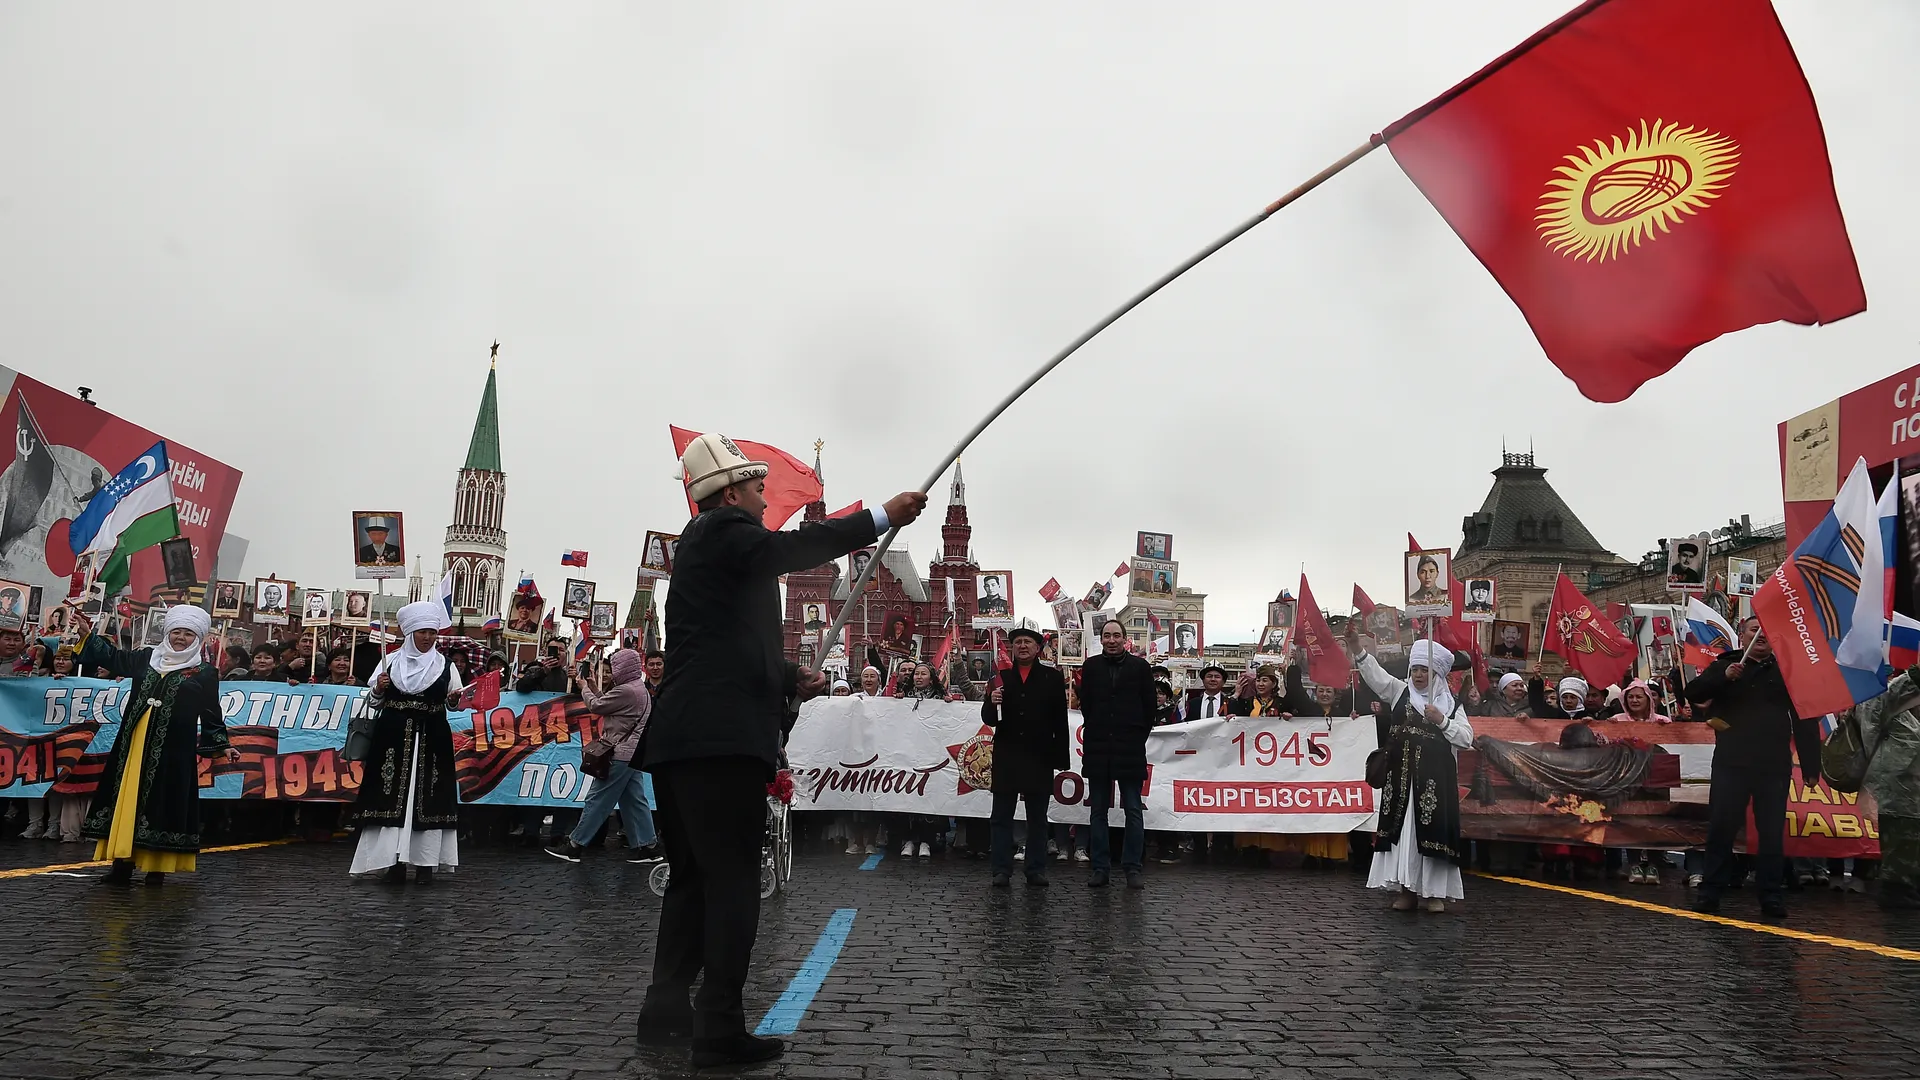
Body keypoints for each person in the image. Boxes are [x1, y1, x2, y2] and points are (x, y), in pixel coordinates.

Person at [635, 431, 925, 1068]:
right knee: (734, 878)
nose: (768, 496)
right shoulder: (722, 531)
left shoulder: (716, 556)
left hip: (687, 738)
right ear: (732, 490)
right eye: (758, 485)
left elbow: (727, 647)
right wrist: (880, 517)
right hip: (718, 742)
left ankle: (663, 1011)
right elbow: (795, 549)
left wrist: (789, 676)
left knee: (690, 879)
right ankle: (718, 1028)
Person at [75, 605, 236, 885]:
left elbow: (211, 711)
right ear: (167, 633)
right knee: (128, 797)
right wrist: (89, 635)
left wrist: (222, 743)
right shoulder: (147, 658)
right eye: (176, 632)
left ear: (198, 638)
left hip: (174, 751)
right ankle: (121, 865)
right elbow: (113, 657)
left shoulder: (204, 672)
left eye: (188, 634)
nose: (180, 638)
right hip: (134, 743)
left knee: (164, 801)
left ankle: (156, 868)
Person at [1685, 619, 1820, 919]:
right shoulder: (1727, 665)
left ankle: (1771, 896)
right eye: (1752, 630)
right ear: (1742, 637)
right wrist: (1724, 678)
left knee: (1771, 833)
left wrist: (1811, 765)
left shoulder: (1787, 671)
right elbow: (1692, 693)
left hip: (1772, 764)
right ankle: (1710, 892)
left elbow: (1805, 718)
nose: (1760, 635)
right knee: (1722, 828)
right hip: (1732, 761)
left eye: (1766, 630)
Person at [349, 600, 462, 885]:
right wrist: (378, 688)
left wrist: (454, 700)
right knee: (390, 796)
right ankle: (391, 862)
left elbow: (456, 702)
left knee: (428, 797)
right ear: (410, 633)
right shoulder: (391, 662)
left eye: (432, 633)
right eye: (422, 632)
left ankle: (425, 863)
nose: (427, 638)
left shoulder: (444, 666)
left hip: (432, 739)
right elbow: (372, 702)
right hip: (393, 738)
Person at [1356, 638, 1473, 913]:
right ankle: (1406, 890)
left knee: (1432, 833)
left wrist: (1442, 721)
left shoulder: (1451, 705)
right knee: (1405, 833)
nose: (1419, 675)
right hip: (1402, 781)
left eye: (1425, 671)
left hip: (1435, 782)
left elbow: (1466, 738)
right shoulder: (1400, 692)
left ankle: (1434, 893)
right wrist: (1358, 652)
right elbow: (1377, 678)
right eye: (1415, 670)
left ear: (1437, 675)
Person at [547, 648, 663, 865]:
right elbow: (610, 704)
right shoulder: (637, 688)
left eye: (615, 666)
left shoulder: (627, 690)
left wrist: (583, 688)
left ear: (623, 667)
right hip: (632, 753)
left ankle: (575, 845)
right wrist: (591, 685)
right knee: (635, 800)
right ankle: (647, 846)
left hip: (619, 754)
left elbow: (597, 706)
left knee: (598, 799)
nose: (614, 671)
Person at [982, 626, 1069, 888]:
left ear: (1037, 648)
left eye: (1027, 642)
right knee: (1001, 816)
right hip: (1007, 755)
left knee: (1038, 819)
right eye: (1017, 642)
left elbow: (1060, 721)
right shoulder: (1001, 677)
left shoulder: (1052, 678)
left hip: (1039, 756)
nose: (1022, 646)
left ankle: (1035, 869)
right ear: (1012, 648)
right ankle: (1001, 869)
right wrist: (991, 701)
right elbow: (989, 720)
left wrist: (1060, 759)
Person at [1076, 620, 1154, 889]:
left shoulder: (1141, 668)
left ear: (1125, 639)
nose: (1111, 640)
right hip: (1098, 748)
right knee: (1098, 811)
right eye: (1107, 635)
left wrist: (1134, 735)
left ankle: (1132, 867)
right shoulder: (1091, 667)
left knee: (1133, 809)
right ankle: (1100, 868)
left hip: (1130, 748)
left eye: (1116, 636)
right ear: (1102, 638)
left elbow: (1149, 709)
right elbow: (1086, 704)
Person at [1851, 667, 1920, 909]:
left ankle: (1907, 890)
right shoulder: (1889, 701)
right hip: (1898, 790)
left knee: (1913, 847)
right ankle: (1895, 895)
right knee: (1900, 845)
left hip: (1914, 790)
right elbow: (1869, 728)